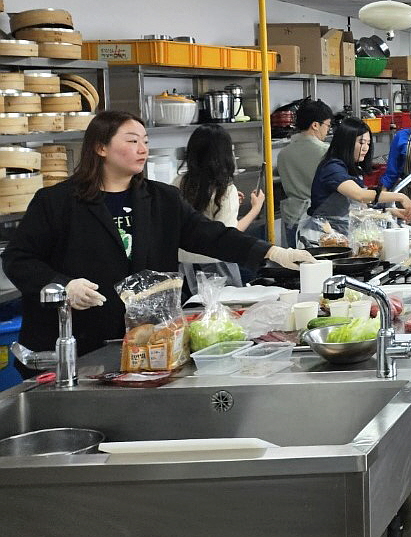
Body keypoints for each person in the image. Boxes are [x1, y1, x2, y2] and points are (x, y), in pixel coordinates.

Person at [1, 111, 313, 366]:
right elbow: (18, 259)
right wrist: (63, 285)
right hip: (80, 347)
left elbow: (210, 235)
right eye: (132, 140)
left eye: (145, 141)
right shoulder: (57, 202)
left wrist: (271, 251)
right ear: (100, 147)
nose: (142, 149)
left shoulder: (162, 199)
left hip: (148, 346)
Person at [176, 124, 265, 286]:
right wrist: (255, 209)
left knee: (195, 309)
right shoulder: (225, 190)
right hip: (218, 264)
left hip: (184, 265)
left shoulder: (179, 183)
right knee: (224, 310)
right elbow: (229, 236)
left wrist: (230, 206)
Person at [305, 118, 411, 243]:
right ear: (346, 142)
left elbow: (357, 209)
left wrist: (390, 211)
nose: (365, 148)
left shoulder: (351, 168)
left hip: (340, 236)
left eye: (368, 143)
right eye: (361, 142)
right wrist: (400, 197)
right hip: (322, 238)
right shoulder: (332, 168)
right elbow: (360, 196)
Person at [275, 98, 332, 246]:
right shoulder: (326, 152)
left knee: (297, 264)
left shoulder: (283, 154)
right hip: (321, 220)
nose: (328, 130)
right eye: (327, 125)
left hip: (292, 217)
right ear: (315, 125)